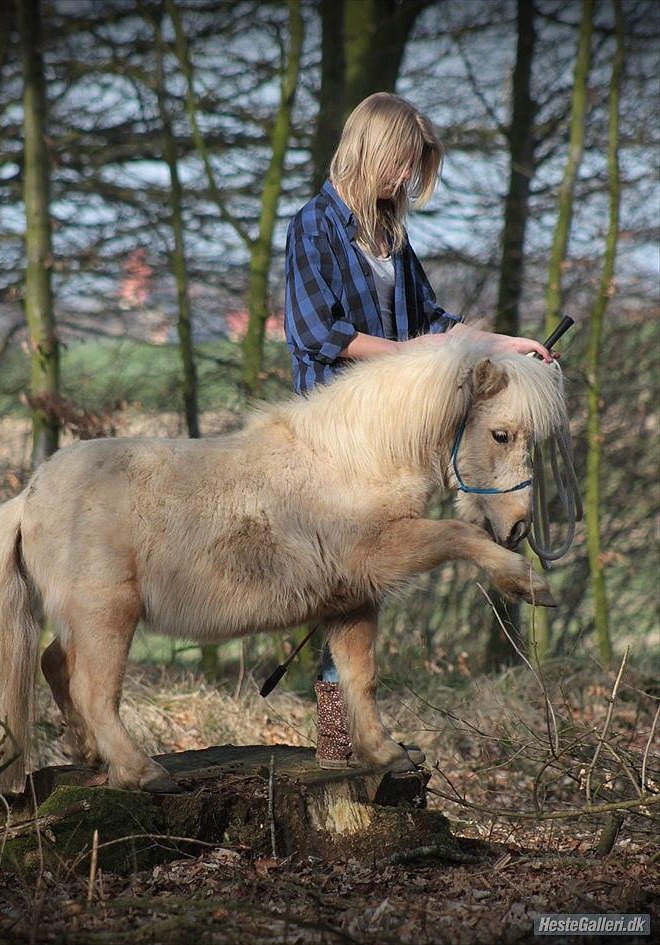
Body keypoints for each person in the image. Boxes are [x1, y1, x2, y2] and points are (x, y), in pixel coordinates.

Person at [284, 92, 553, 768]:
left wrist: (505, 343)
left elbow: (435, 325)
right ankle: (337, 743)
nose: (407, 177)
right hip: (334, 432)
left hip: (390, 441)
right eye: (402, 162)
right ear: (371, 149)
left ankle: (346, 741)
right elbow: (323, 336)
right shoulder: (312, 226)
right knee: (348, 584)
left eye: (415, 167)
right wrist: (419, 359)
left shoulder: (391, 235)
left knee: (364, 583)